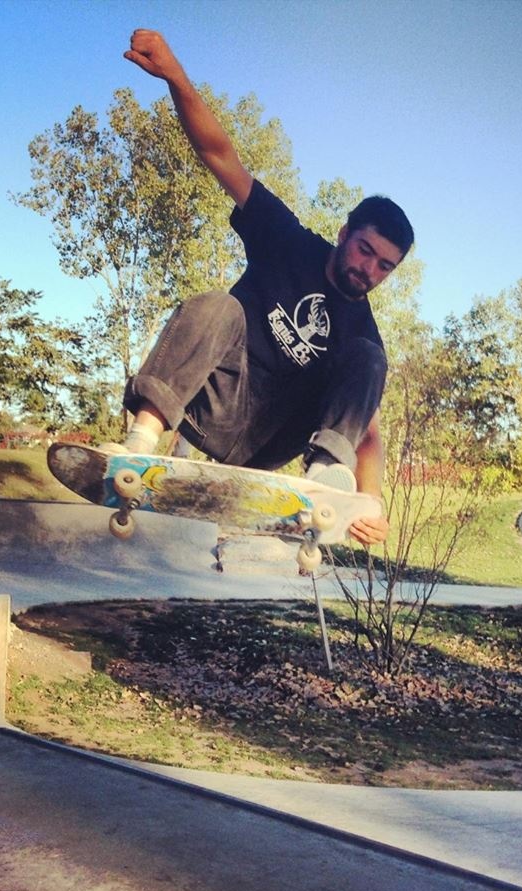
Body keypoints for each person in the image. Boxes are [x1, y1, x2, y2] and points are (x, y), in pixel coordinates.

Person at [118, 29, 414, 547]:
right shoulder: (288, 241)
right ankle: (142, 438)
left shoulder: (361, 334)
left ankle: (325, 480)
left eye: (384, 266)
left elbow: (366, 431)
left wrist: (369, 504)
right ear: (344, 235)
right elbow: (220, 155)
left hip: (276, 437)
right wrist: (176, 77)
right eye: (365, 251)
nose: (369, 270)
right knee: (219, 307)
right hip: (214, 406)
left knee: (369, 358)